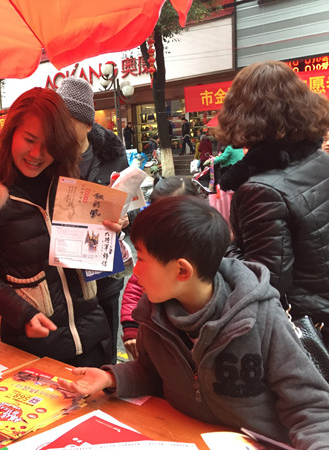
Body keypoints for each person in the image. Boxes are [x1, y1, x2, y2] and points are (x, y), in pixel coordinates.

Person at [59, 196, 329, 448]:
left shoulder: (262, 317)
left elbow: (311, 407)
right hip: (181, 435)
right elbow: (152, 373)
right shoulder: (154, 316)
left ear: (182, 270)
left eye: (141, 259)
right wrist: (111, 377)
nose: (135, 272)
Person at [0, 87, 118, 367]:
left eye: (50, 145)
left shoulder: (68, 177)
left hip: (92, 337)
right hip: (31, 345)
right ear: (10, 132)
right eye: (29, 140)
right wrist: (23, 314)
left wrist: (107, 234)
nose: (37, 154)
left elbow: (92, 257)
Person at [216, 61, 329, 325]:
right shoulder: (321, 159)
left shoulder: (260, 190)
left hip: (305, 324)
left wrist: (226, 242)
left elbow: (264, 281)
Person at [57, 76, 129, 364]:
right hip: (62, 273)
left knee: (106, 350)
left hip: (104, 271)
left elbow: (132, 207)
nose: (60, 129)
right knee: (69, 352)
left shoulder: (113, 158)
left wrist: (125, 219)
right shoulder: (47, 158)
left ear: (87, 124)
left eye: (68, 121)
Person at [120, 176, 201, 359]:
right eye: (160, 214)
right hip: (158, 337)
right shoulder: (153, 245)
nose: (167, 222)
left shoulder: (205, 247)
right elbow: (135, 287)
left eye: (174, 213)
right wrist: (131, 326)